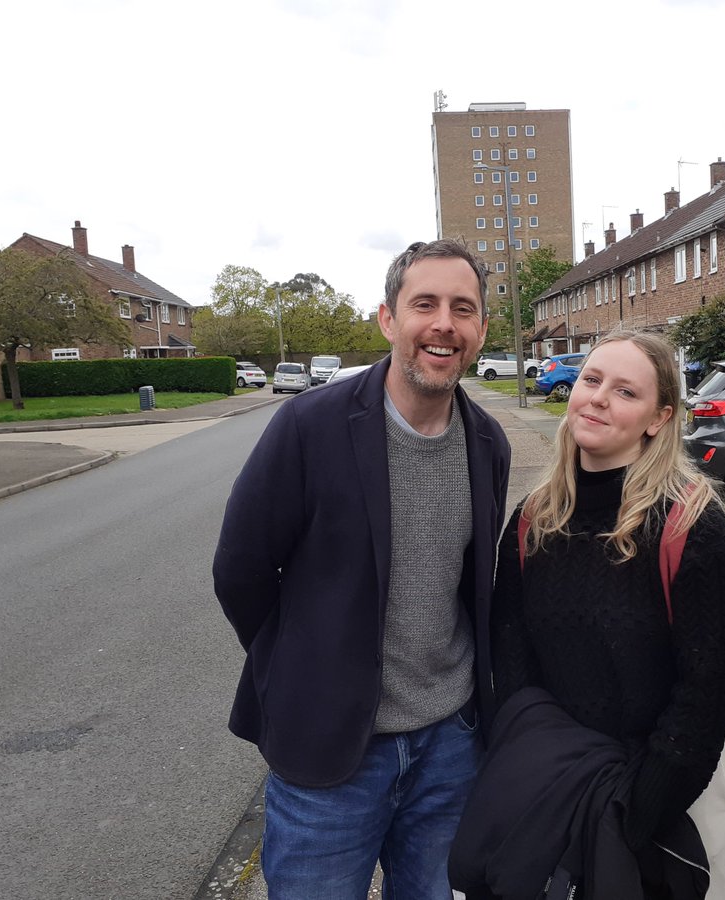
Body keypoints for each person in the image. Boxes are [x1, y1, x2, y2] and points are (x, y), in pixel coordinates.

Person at [213, 239, 511, 899]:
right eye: (424, 304)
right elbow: (241, 570)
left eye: (463, 309)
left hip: (449, 751)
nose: (444, 323)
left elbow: (471, 587)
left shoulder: (488, 443)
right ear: (388, 319)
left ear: (481, 330)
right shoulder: (308, 427)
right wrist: (294, 669)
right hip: (331, 754)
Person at [462, 329, 725, 898]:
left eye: (625, 392)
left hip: (672, 788)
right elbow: (512, 652)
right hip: (563, 778)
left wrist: (639, 807)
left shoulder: (692, 529)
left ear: (658, 418)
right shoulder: (533, 520)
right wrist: (534, 755)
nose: (597, 397)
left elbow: (712, 684)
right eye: (592, 380)